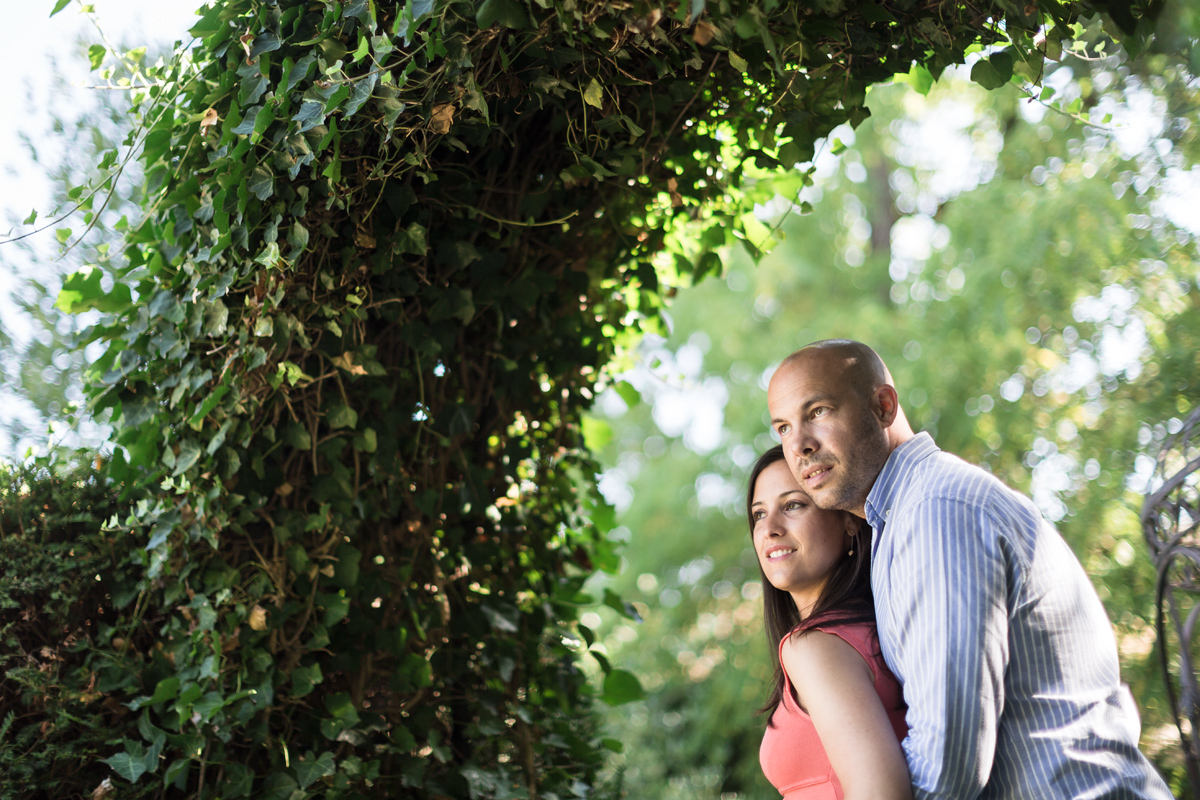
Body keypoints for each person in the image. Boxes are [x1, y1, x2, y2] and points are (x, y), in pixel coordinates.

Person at [765, 338, 1172, 800]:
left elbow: (949, 768)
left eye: (817, 411)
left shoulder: (937, 513)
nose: (798, 445)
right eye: (782, 427)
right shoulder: (897, 525)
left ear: (882, 406)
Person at [749, 444, 912, 800]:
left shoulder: (816, 646)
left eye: (793, 505)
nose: (769, 529)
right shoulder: (866, 633)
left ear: (849, 520)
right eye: (759, 514)